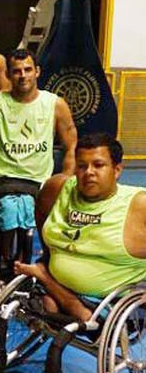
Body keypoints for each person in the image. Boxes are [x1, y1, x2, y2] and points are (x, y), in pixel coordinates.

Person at [0, 49, 77, 279]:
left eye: (28, 70)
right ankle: (6, 264)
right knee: (9, 211)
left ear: (37, 72)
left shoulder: (55, 105)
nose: (23, 75)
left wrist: (65, 179)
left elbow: (72, 144)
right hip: (5, 177)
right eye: (16, 71)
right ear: (8, 74)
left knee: (50, 230)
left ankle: (43, 270)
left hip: (41, 180)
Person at [15, 134, 146, 322]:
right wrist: (49, 254)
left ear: (117, 170)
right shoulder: (58, 188)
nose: (89, 172)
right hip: (61, 285)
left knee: (77, 314)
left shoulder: (139, 205)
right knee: (47, 306)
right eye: (82, 166)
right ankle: (54, 286)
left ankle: (47, 280)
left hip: (113, 302)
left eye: (98, 165)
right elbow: (41, 212)